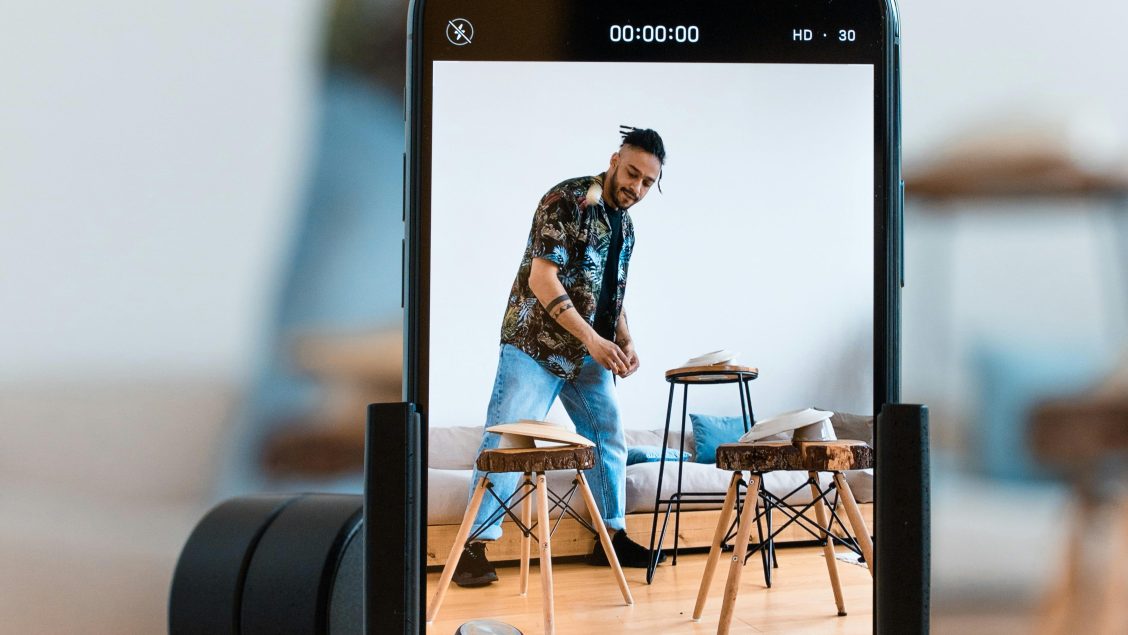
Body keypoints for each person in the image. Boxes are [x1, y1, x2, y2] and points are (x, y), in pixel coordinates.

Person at [453, 128, 668, 587]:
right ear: (614, 160)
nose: (637, 187)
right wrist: (593, 340)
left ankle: (609, 536)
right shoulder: (565, 200)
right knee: (507, 442)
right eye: (632, 173)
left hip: (588, 350)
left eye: (649, 182)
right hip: (535, 344)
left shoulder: (626, 226)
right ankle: (474, 547)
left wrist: (625, 338)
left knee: (608, 436)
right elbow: (542, 280)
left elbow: (608, 292)